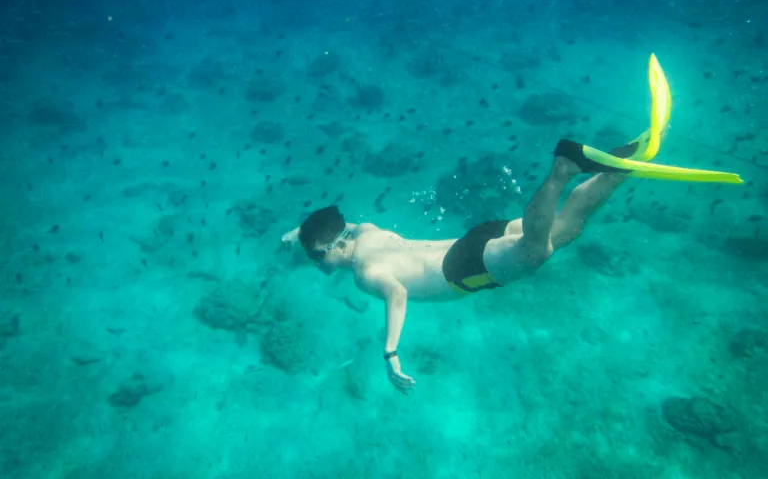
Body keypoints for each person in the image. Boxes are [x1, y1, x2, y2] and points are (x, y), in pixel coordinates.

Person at [281, 55, 742, 394]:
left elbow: (397, 293)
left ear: (325, 251)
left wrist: (390, 353)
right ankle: (625, 158)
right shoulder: (365, 232)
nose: (318, 266)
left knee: (537, 252)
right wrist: (296, 234)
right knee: (565, 230)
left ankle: (563, 168)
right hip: (475, 237)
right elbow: (337, 226)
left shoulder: (365, 275)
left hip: (464, 269)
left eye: (315, 259)